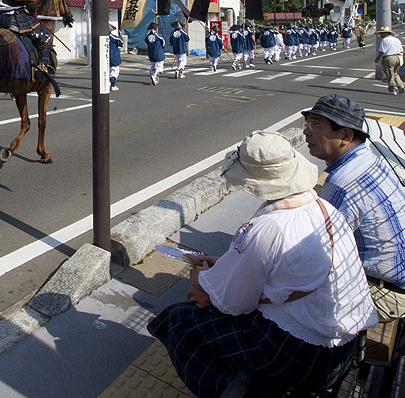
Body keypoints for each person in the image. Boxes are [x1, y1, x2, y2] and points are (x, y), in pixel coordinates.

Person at [149, 130, 377, 397]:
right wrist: (222, 266)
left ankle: (235, 390)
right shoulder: (323, 209)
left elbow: (233, 302)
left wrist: (200, 278)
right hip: (343, 347)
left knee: (179, 320)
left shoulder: (268, 226)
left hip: (304, 353)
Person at [303, 94, 405, 322]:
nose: (306, 132)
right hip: (403, 282)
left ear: (346, 135)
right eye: (308, 124)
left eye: (316, 125)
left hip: (384, 294)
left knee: (283, 295)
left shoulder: (343, 181)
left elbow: (323, 251)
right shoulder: (368, 161)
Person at [374, 26, 405, 95]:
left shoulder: (385, 40)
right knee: (395, 73)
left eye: (381, 33)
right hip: (397, 57)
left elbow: (382, 51)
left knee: (389, 73)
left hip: (389, 58)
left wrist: (377, 58)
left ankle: (392, 88)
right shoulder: (396, 39)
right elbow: (401, 50)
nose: (380, 35)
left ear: (385, 33)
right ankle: (400, 85)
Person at [145, 22, 165, 86]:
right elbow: (163, 43)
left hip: (151, 53)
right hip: (158, 53)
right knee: (159, 67)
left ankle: (153, 76)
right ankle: (154, 75)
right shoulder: (158, 35)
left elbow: (146, 42)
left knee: (153, 66)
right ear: (156, 29)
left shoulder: (147, 36)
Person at [109, 25, 124, 91]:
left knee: (107, 71)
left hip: (105, 58)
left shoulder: (101, 38)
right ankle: (112, 84)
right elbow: (122, 44)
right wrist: (121, 35)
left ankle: (108, 84)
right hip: (114, 56)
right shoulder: (114, 37)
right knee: (115, 71)